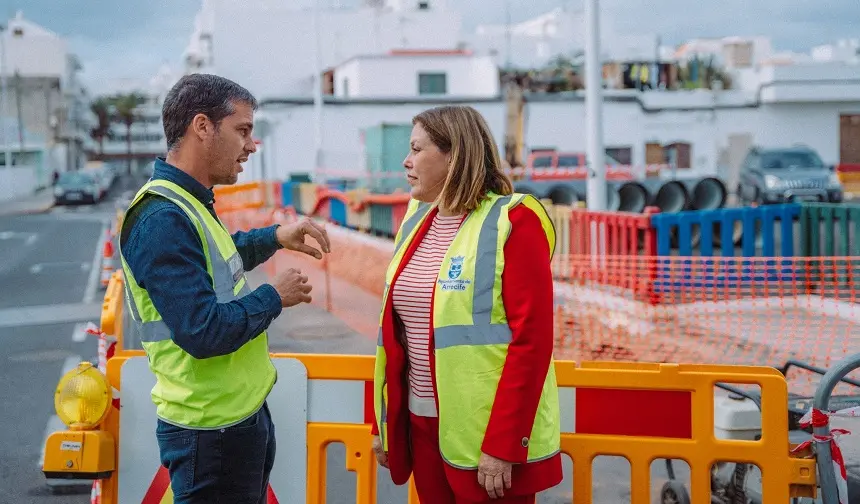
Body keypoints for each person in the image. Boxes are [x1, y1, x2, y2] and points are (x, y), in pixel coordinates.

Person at [118, 73, 330, 504]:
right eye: (243, 130)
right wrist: (275, 296)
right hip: (209, 434)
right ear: (202, 126)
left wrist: (273, 237)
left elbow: (214, 262)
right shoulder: (162, 218)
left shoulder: (188, 202)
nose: (251, 146)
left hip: (233, 422)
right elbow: (202, 330)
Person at [370, 105, 562, 503]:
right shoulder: (415, 223)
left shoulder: (515, 221)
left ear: (454, 155)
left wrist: (504, 444)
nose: (406, 161)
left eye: (417, 149)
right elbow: (393, 336)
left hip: (484, 437)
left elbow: (532, 341)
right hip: (421, 427)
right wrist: (382, 424)